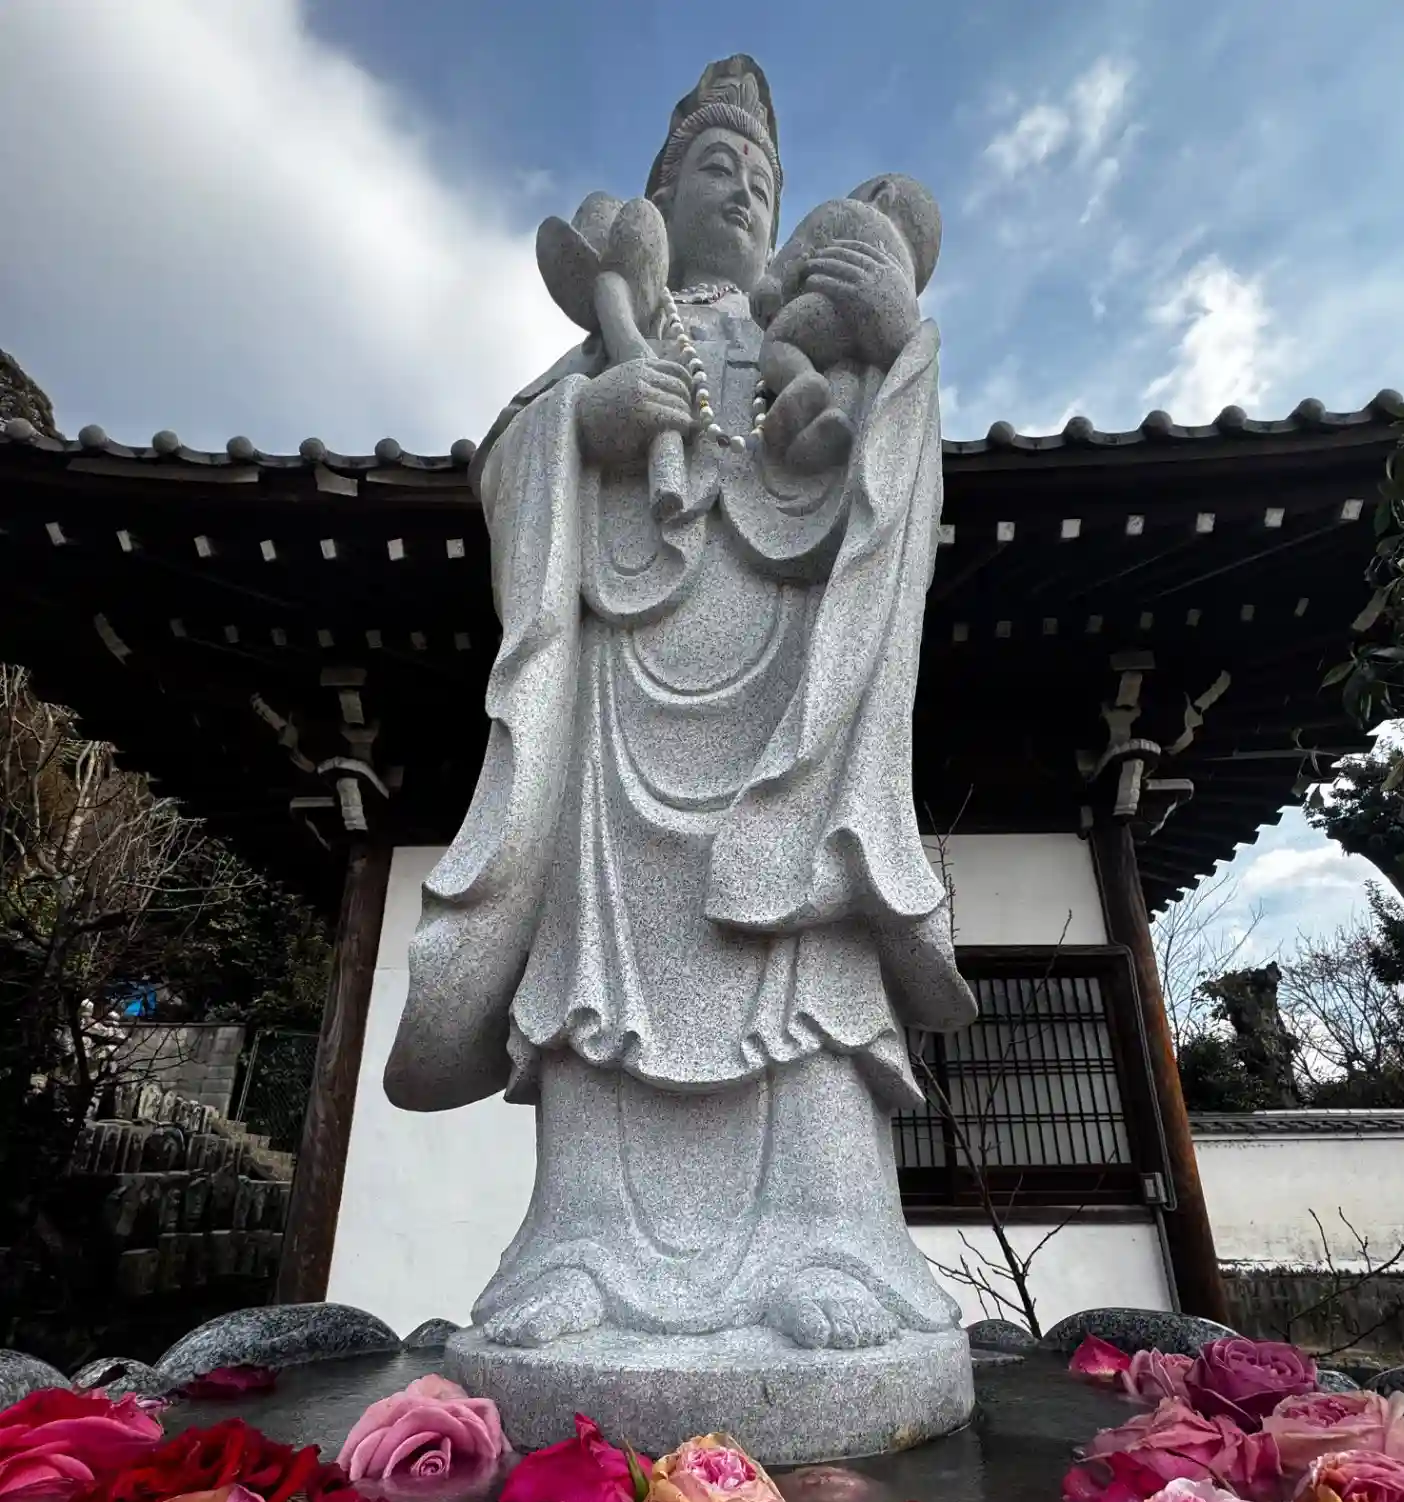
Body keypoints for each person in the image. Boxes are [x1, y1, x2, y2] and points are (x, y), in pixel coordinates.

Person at [386, 56, 975, 1352]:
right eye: (720, 165)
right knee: (606, 956)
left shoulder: (803, 333)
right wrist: (586, 421)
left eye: (764, 176)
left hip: (789, 695)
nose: (748, 191)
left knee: (801, 935)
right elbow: (508, 460)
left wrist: (898, 342)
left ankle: (828, 1239)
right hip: (623, 680)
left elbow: (892, 485)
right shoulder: (614, 336)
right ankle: (584, 1248)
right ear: (660, 196)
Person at [750, 173, 942, 472]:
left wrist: (773, 284)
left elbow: (800, 247)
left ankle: (803, 380)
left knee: (778, 343)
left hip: (825, 306)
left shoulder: (843, 210)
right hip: (870, 342)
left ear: (883, 194)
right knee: (853, 380)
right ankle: (829, 421)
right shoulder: (902, 271)